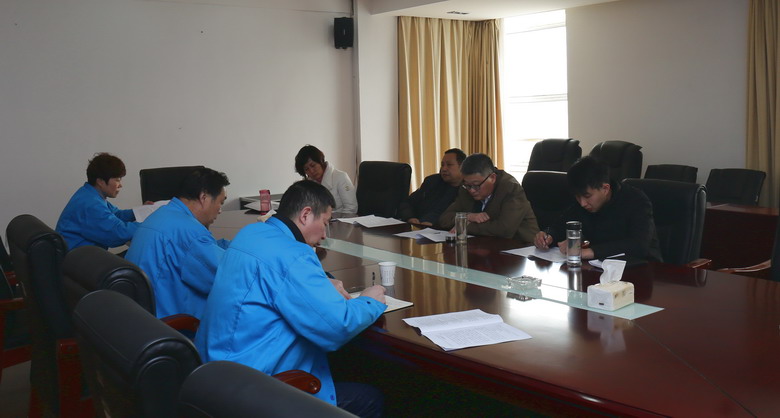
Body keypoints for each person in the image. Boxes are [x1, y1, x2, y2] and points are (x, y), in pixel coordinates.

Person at [195, 180, 386, 417]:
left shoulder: (251, 233)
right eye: (325, 223)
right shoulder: (293, 254)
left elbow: (275, 278)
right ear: (305, 215)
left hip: (216, 372)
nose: (324, 235)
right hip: (251, 389)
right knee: (370, 398)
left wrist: (322, 281)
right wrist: (370, 300)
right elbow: (338, 326)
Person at [125, 167, 230, 319]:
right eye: (221, 202)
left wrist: (233, 247)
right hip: (172, 323)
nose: (220, 210)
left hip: (139, 316)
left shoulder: (162, 214)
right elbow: (224, 280)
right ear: (204, 197)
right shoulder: (191, 233)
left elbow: (203, 249)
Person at [534, 156, 662, 262]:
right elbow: (561, 224)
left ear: (605, 189)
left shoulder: (636, 201)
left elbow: (638, 245)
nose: (582, 203)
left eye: (587, 196)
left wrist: (589, 252)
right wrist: (548, 235)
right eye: (577, 197)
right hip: (597, 269)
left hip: (642, 270)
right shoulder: (582, 202)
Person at [439, 153, 539, 243]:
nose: (472, 190)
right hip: (482, 246)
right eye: (468, 185)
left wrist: (464, 226)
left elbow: (504, 230)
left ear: (492, 178)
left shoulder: (511, 188)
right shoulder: (465, 187)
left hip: (519, 248)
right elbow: (444, 219)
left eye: (476, 185)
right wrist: (468, 216)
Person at [56, 152, 139, 250]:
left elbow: (116, 214)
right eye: (117, 180)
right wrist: (149, 224)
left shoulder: (89, 194)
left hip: (84, 254)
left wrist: (139, 212)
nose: (120, 185)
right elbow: (118, 234)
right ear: (100, 182)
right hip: (80, 258)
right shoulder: (90, 205)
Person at [398, 148, 466, 226]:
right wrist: (410, 218)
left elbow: (459, 218)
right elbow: (407, 203)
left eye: (449, 165)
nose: (444, 169)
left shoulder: (469, 189)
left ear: (462, 167)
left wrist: (433, 223)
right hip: (419, 227)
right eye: (442, 165)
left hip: (442, 230)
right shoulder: (432, 182)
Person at [295, 145, 357, 213]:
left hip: (341, 218)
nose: (311, 171)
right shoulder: (307, 185)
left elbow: (351, 208)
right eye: (307, 169)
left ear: (321, 161)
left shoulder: (340, 177)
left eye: (313, 165)